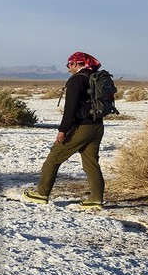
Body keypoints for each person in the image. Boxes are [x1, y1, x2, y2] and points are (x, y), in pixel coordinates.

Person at [25, 51, 106, 208]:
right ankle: (96, 199)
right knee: (91, 163)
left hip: (80, 127)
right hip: (97, 127)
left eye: (69, 65)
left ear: (76, 63)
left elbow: (70, 108)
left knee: (54, 157)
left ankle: (41, 194)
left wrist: (63, 130)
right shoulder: (95, 78)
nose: (68, 68)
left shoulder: (76, 80)